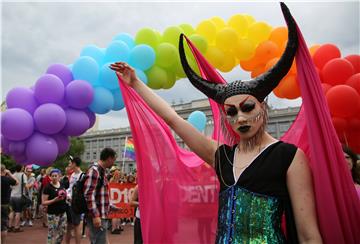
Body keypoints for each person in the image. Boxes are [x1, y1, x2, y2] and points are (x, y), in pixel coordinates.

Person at [110, 4, 323, 243]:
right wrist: (136, 82)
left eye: (248, 107)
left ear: (263, 108)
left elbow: (308, 236)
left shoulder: (289, 157)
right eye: (231, 112)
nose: (240, 118)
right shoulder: (221, 157)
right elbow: (173, 119)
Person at [84, 147, 117, 244]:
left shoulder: (101, 171)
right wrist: (95, 216)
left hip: (101, 214)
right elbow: (88, 194)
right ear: (109, 158)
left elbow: (100, 195)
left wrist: (110, 206)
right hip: (97, 214)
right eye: (114, 160)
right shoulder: (95, 170)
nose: (113, 163)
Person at [42, 168, 68, 244]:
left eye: (56, 176)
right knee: (52, 233)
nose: (54, 177)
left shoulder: (62, 184)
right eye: (52, 176)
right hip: (52, 214)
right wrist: (54, 200)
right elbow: (44, 202)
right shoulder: (47, 187)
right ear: (50, 177)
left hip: (63, 213)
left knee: (62, 232)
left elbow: (64, 194)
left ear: (59, 176)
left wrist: (67, 197)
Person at [65, 156, 83, 244]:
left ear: (74, 164)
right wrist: (67, 194)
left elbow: (82, 191)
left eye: (70, 163)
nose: (69, 165)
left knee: (76, 226)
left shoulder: (82, 175)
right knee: (68, 225)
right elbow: (70, 188)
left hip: (76, 205)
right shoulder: (72, 175)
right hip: (69, 203)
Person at [1, 164, 18, 243]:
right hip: (4, 205)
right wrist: (10, 173)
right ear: (4, 171)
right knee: (3, 226)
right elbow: (17, 182)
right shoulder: (7, 179)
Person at [8, 165, 27, 232]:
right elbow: (25, 185)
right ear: (22, 168)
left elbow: (10, 186)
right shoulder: (23, 175)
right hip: (19, 196)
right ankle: (16, 227)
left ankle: (9, 226)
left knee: (12, 211)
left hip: (12, 195)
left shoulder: (13, 175)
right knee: (18, 212)